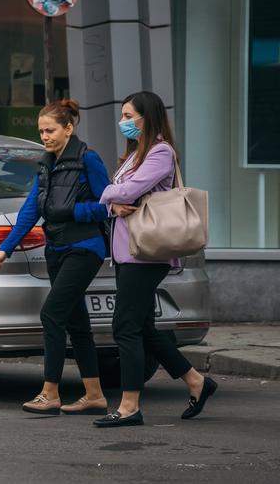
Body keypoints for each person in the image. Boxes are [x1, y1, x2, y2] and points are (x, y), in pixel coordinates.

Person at [94, 91, 217, 428]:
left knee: (125, 327)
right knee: (144, 327)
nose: (124, 122)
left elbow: (126, 192)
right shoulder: (135, 155)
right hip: (127, 251)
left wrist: (108, 195)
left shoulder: (160, 152)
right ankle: (196, 381)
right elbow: (118, 199)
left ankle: (130, 406)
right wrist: (112, 201)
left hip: (146, 253)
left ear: (147, 118)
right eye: (122, 115)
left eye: (130, 116)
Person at [0, 99, 111, 416]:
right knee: (76, 321)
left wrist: (73, 210)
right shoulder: (47, 163)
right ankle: (95, 395)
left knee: (51, 315)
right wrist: (6, 247)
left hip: (85, 247)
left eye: (50, 130)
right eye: (41, 131)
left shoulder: (88, 159)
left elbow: (108, 204)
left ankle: (50, 393)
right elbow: (31, 208)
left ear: (69, 128)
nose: (45, 136)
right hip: (55, 248)